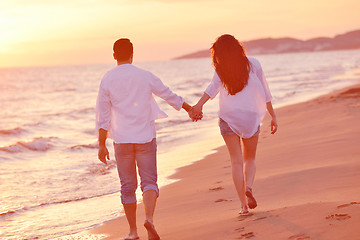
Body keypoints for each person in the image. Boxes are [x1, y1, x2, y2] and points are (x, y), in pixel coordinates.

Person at [96, 38, 196, 240]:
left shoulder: (107, 79)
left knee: (127, 186)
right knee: (149, 182)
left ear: (114, 55)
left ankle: (133, 232)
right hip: (145, 138)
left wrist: (101, 144)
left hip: (122, 140)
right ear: (132, 54)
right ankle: (149, 219)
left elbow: (103, 115)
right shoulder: (144, 75)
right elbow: (168, 95)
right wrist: (189, 109)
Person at [191, 34, 278, 215]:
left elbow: (211, 89)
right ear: (238, 48)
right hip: (251, 117)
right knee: (250, 159)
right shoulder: (254, 64)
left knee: (236, 161)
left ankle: (243, 206)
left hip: (229, 117)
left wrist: (198, 106)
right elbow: (265, 92)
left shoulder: (221, 70)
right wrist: (273, 115)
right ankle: (250, 187)